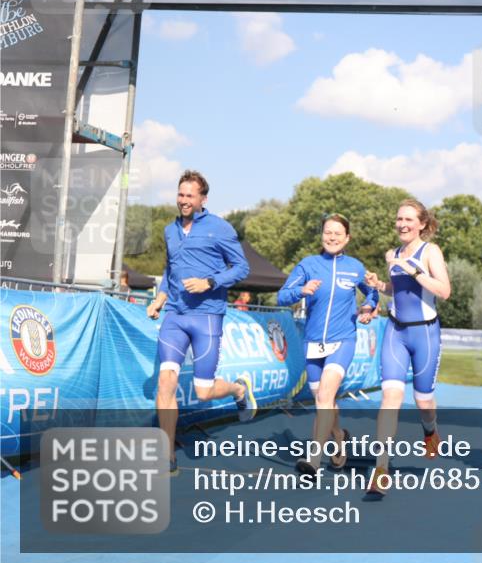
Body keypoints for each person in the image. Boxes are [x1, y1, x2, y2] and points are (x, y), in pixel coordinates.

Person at [146, 170, 254, 476]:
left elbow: (241, 267)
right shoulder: (170, 230)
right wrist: (160, 298)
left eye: (189, 196)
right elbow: (170, 270)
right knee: (166, 381)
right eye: (180, 194)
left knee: (203, 391)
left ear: (202, 199)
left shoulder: (219, 228)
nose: (183, 200)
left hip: (207, 315)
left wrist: (210, 281)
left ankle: (238, 390)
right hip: (175, 316)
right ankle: (167, 454)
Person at [277, 214, 378, 474]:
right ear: (322, 235)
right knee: (325, 401)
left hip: (343, 339)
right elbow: (282, 296)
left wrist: (368, 307)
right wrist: (302, 290)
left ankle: (312, 459)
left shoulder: (355, 267)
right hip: (313, 343)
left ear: (347, 238)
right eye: (327, 232)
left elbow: (373, 292)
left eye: (337, 233)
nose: (332, 237)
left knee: (324, 395)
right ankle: (339, 438)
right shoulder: (308, 265)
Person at [364, 199, 451, 495]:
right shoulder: (393, 254)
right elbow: (396, 289)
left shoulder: (431, 252)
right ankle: (381, 468)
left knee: (424, 402)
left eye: (408, 220)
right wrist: (380, 284)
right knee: (390, 398)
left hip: (425, 334)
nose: (402, 224)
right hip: (395, 332)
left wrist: (413, 270)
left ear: (422, 224)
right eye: (399, 219)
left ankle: (430, 430)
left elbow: (445, 291)